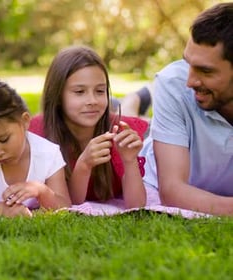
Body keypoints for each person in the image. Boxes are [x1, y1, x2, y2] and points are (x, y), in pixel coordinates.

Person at [140, 3, 233, 216]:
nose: (190, 81)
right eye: (188, 64)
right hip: (149, 162)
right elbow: (173, 192)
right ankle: (136, 100)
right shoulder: (173, 83)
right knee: (118, 120)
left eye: (205, 71)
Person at [29, 46, 147, 208]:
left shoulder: (118, 131)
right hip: (100, 114)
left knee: (129, 114)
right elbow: (69, 204)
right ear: (57, 95)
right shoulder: (38, 133)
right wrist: (84, 164)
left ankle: (132, 100)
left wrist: (130, 160)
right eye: (79, 92)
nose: (92, 100)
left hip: (112, 117)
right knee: (118, 107)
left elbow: (137, 206)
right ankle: (131, 100)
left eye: (100, 91)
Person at [0, 78, 72, 217]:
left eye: (4, 140)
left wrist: (41, 191)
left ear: (25, 121)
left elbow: (64, 205)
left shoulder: (49, 154)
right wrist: (4, 209)